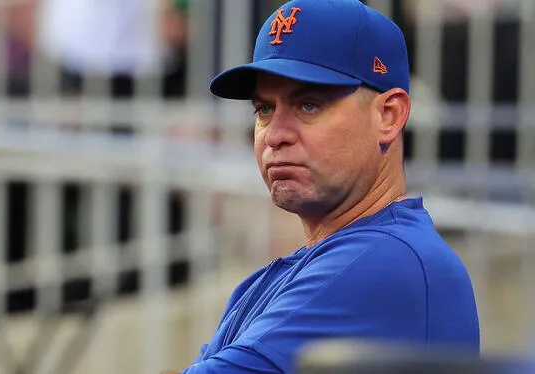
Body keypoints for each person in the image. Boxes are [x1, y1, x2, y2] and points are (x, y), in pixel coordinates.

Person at [163, 0, 480, 373]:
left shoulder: (386, 260)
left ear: (388, 116)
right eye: (264, 109)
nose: (275, 135)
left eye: (308, 105)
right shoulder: (283, 274)